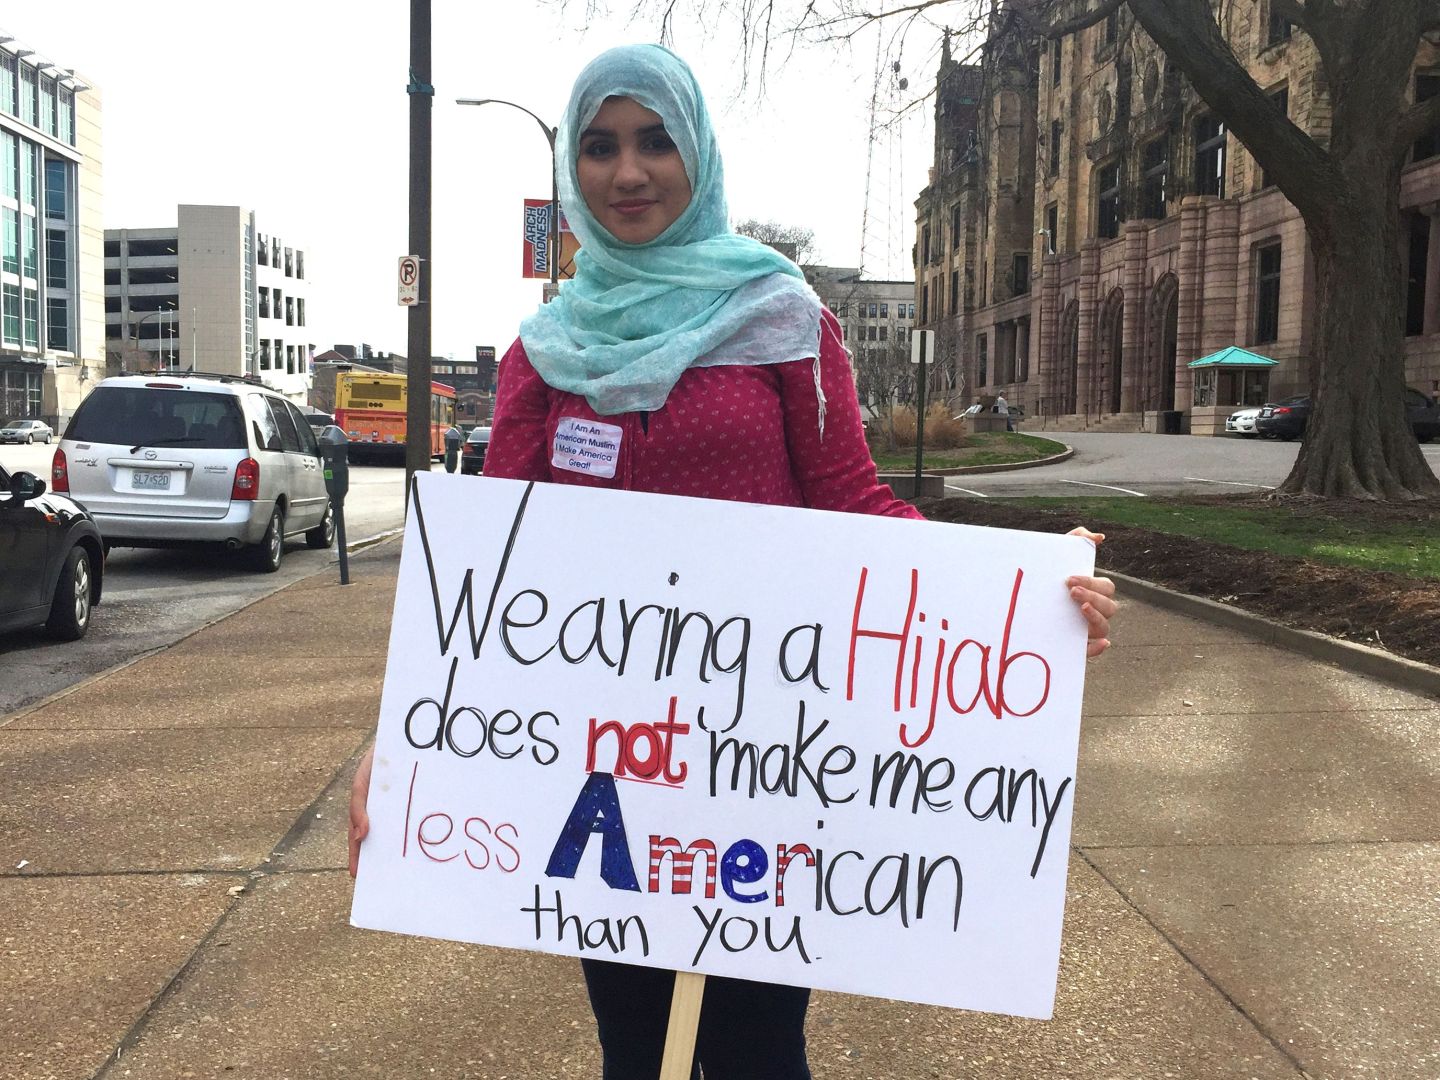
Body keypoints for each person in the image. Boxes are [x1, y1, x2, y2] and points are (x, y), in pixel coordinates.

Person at [349, 43, 1117, 1080]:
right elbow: (491, 568)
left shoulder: (782, 320)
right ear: (574, 171)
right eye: (600, 147)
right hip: (603, 767)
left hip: (762, 767)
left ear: (698, 153)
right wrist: (405, 737)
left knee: (758, 1051)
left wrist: (1021, 603)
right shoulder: (546, 352)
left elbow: (853, 501)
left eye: (655, 141)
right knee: (635, 1050)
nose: (628, 172)